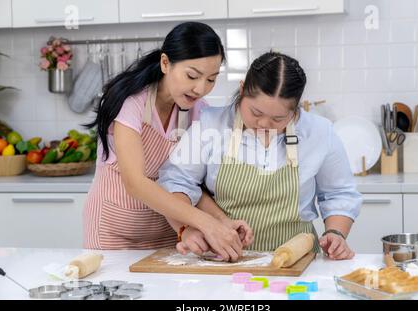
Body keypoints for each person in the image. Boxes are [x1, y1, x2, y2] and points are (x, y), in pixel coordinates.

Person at [158, 51, 363, 260]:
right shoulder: (210, 124)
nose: (264, 124)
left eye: (278, 118)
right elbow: (175, 182)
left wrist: (335, 233)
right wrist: (186, 228)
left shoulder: (319, 132)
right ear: (242, 90)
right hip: (224, 260)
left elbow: (339, 194)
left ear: (295, 111)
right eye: (255, 113)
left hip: (298, 264)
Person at [83, 21, 252, 262]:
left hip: (169, 230)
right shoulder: (132, 102)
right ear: (165, 63)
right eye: (192, 75)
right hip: (114, 231)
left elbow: (187, 182)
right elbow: (136, 183)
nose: (200, 88)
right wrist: (205, 223)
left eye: (211, 79)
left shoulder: (197, 111)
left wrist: (223, 223)